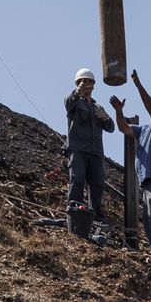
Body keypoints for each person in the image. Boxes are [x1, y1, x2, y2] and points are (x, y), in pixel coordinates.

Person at [111, 69, 151, 266]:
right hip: (149, 179)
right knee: (148, 219)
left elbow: (150, 108)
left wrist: (139, 85)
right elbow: (124, 128)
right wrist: (119, 111)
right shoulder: (145, 130)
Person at [62, 68, 113, 240]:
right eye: (83, 81)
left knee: (97, 184)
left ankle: (96, 215)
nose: (86, 84)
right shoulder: (74, 101)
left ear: (94, 85)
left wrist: (106, 117)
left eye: (89, 82)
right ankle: (74, 210)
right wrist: (78, 92)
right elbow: (68, 103)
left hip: (95, 152)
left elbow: (111, 128)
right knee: (77, 179)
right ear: (77, 84)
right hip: (78, 148)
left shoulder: (98, 107)